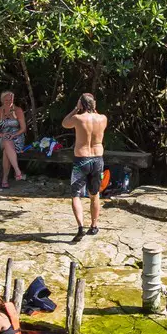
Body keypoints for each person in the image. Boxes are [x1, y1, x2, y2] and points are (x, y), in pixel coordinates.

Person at [62, 93, 108, 241]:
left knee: (76, 194)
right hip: (98, 160)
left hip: (81, 160)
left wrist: (76, 109)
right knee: (95, 194)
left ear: (81, 104)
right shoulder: (103, 119)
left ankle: (81, 227)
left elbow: (64, 123)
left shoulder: (78, 118)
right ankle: (94, 226)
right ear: (94, 104)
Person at [0, 92, 30, 188]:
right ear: (2, 100)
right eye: (6, 100)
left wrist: (14, 135)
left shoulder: (18, 110)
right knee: (6, 141)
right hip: (2, 136)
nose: (9, 102)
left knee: (6, 152)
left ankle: (5, 179)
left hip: (17, 137)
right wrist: (1, 134)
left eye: (10, 100)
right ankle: (18, 172)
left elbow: (23, 128)